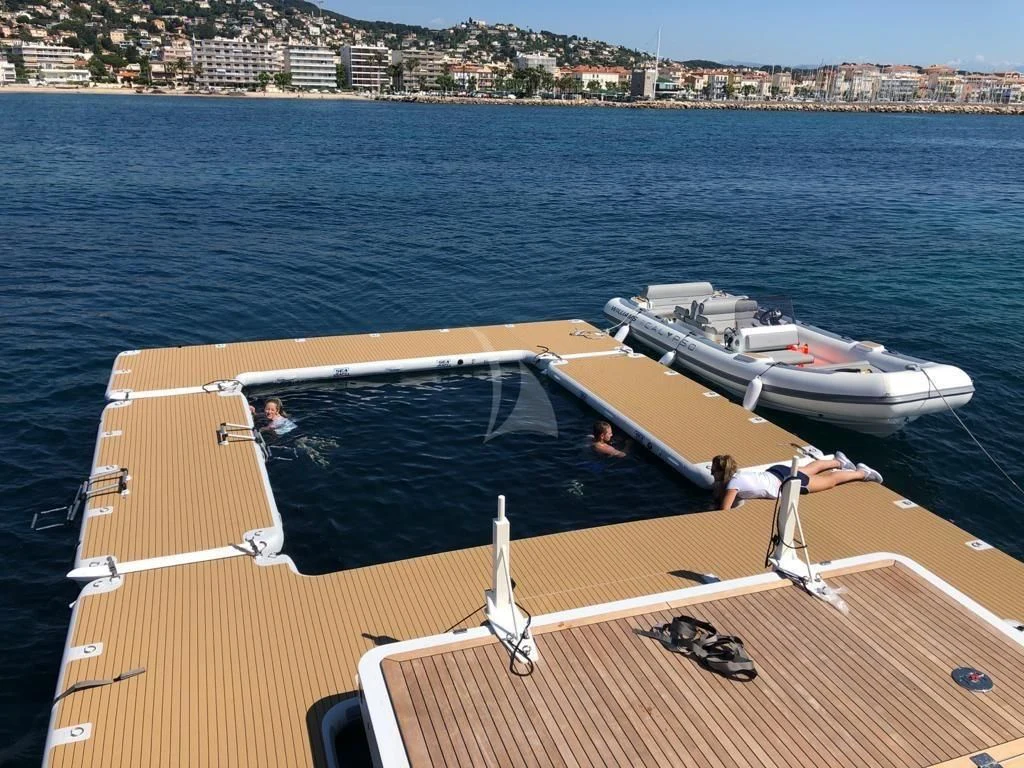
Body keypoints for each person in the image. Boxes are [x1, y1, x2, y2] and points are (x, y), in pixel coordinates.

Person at [711, 451, 882, 511]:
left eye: (713, 471)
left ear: (721, 472)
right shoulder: (737, 475)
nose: (711, 473)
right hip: (776, 471)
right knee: (809, 469)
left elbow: (724, 510)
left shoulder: (732, 485)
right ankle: (839, 462)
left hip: (785, 481)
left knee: (829, 480)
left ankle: (861, 473)